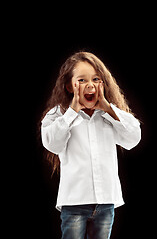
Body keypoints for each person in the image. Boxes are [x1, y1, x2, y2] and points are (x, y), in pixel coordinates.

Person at [40, 51, 141, 239]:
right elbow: (52, 143)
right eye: (81, 80)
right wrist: (72, 112)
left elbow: (133, 138)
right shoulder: (58, 115)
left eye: (95, 79)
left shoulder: (109, 115)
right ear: (69, 86)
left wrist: (108, 108)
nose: (90, 85)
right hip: (74, 203)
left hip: (105, 202)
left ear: (102, 84)